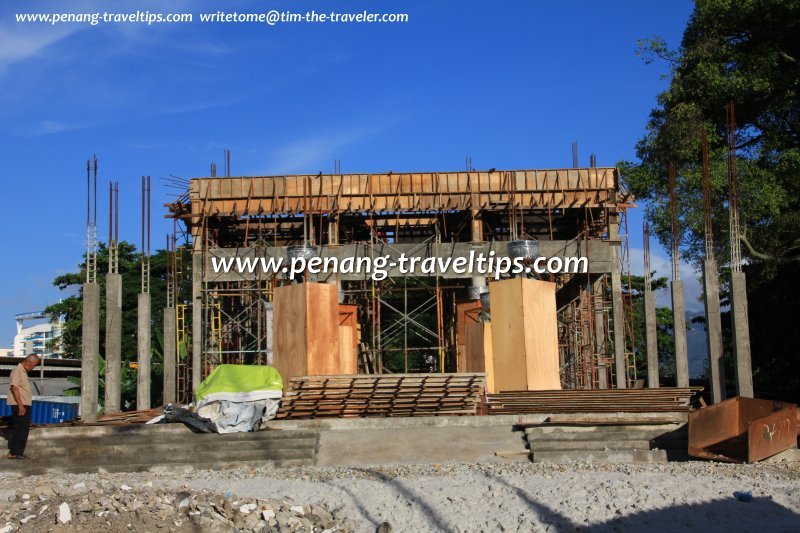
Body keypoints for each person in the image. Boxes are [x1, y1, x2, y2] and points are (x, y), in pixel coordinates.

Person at [7, 354, 40, 459]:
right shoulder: (17, 370)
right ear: (29, 362)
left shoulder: (23, 372)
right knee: (20, 429)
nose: (34, 367)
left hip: (24, 404)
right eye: (34, 365)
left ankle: (18, 452)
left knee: (24, 429)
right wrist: (20, 406)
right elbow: (14, 388)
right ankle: (15, 453)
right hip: (20, 404)